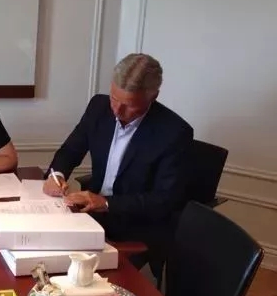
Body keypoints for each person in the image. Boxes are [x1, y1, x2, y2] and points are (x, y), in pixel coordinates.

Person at [43, 53, 193, 262]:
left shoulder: (174, 132)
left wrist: (106, 203)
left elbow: (165, 200)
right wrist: (57, 175)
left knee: (69, 266)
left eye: (129, 104)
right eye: (114, 98)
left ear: (153, 97)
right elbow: (70, 150)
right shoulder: (98, 107)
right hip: (91, 217)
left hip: (135, 226)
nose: (117, 110)